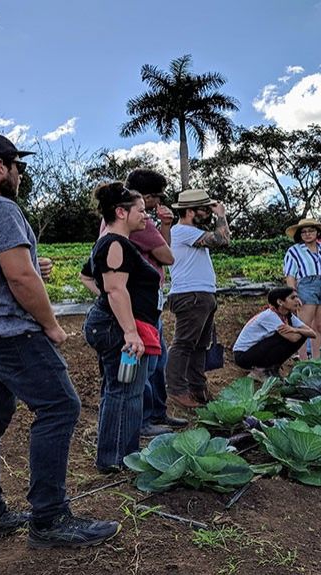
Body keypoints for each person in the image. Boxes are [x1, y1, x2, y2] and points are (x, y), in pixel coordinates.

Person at [0, 133, 120, 549]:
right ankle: (50, 517)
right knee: (60, 407)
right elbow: (19, 277)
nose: (21, 174)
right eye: (17, 166)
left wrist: (28, 264)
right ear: (0, 166)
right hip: (11, 331)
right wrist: (52, 325)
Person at [98, 168, 186, 437]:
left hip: (144, 304)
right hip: (139, 307)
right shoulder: (133, 227)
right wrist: (127, 323)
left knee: (155, 361)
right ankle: (141, 422)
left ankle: (153, 414)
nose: (157, 206)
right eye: (155, 199)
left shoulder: (118, 226)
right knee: (142, 367)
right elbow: (168, 257)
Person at [82, 182, 162, 472]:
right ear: (120, 212)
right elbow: (115, 290)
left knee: (121, 390)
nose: (146, 217)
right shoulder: (115, 243)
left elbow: (104, 284)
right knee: (125, 392)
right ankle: (118, 459)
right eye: (140, 211)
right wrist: (130, 331)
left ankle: (119, 455)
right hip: (118, 328)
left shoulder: (116, 243)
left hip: (118, 323)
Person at [165, 189, 231, 409]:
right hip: (190, 294)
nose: (209, 212)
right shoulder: (182, 230)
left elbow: (223, 240)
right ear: (191, 211)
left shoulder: (191, 232)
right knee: (184, 343)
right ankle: (177, 389)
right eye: (204, 209)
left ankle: (197, 387)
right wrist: (221, 215)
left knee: (200, 345)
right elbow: (222, 239)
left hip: (201, 294)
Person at [233, 287, 318, 378]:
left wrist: (295, 329)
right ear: (280, 302)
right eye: (293, 298)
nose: (297, 300)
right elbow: (294, 338)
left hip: (257, 350)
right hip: (243, 356)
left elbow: (312, 334)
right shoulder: (270, 315)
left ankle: (272, 368)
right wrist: (297, 331)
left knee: (300, 335)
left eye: (297, 297)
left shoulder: (288, 315)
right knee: (283, 337)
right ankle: (259, 370)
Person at [283, 218, 321, 359]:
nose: (308, 234)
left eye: (311, 231)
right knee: (304, 326)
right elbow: (290, 275)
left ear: (317, 232)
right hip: (306, 285)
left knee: (320, 326)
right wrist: (293, 295)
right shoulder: (294, 251)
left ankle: (316, 359)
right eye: (304, 232)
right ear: (300, 235)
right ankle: (303, 359)